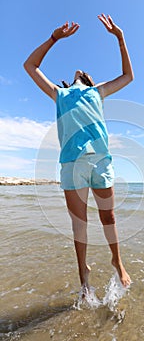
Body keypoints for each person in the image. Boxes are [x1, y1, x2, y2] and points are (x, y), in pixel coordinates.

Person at [24, 14, 134, 291]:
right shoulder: (59, 95)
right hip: (72, 163)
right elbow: (30, 65)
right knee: (79, 223)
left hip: (100, 161)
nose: (79, 70)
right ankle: (83, 273)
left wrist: (120, 39)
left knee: (108, 216)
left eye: (83, 72)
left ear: (88, 79)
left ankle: (117, 261)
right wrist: (53, 39)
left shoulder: (98, 92)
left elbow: (128, 76)